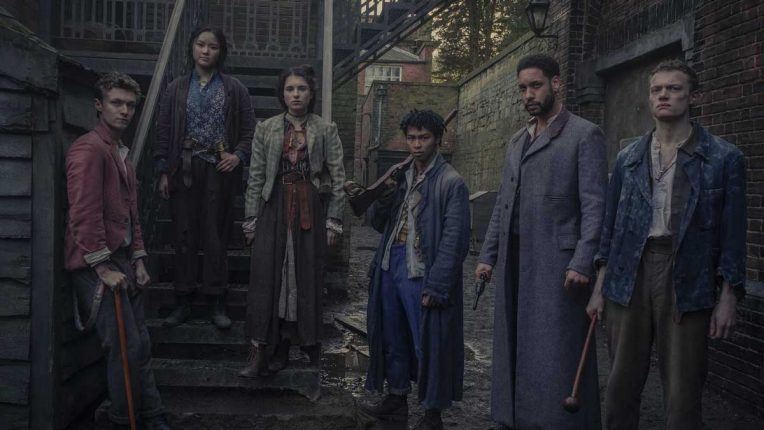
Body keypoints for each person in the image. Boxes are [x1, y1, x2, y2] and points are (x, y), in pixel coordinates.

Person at [587, 60, 746, 430]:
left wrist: (729, 296)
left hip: (688, 273)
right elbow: (610, 229)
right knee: (620, 385)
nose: (663, 95)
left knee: (683, 392)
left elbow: (733, 235)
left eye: (673, 88)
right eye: (656, 89)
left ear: (692, 97)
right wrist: (599, 288)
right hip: (629, 273)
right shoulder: (629, 159)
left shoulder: (723, 158)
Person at [475, 54, 607, 429]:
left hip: (558, 266)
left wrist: (582, 261)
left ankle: (558, 423)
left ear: (556, 84)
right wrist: (487, 256)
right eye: (523, 88)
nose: (528, 95)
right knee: (516, 342)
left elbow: (595, 207)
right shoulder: (518, 140)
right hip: (516, 260)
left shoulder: (584, 135)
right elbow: (504, 204)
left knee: (555, 351)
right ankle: (514, 418)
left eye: (535, 85)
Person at [65, 72, 170, 430]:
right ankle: (125, 422)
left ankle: (153, 417)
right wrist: (102, 268)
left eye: (130, 105)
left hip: (122, 261)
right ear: (99, 105)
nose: (125, 111)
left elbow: (130, 212)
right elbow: (83, 215)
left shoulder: (120, 153)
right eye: (116, 103)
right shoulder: (88, 149)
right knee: (124, 350)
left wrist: (138, 257)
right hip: (96, 266)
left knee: (140, 346)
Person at [359, 110, 471, 430]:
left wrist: (438, 285)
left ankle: (433, 414)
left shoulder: (451, 182)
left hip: (421, 270)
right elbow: (379, 224)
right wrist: (384, 195)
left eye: (424, 138)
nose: (417, 144)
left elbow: (455, 240)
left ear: (438, 139)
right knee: (392, 336)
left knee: (429, 344)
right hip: (389, 264)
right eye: (411, 138)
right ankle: (396, 399)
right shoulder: (402, 176)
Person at [238, 65, 346, 377]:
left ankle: (303, 345)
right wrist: (250, 218)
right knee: (267, 276)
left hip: (309, 206)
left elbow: (339, 178)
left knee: (304, 276)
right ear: (282, 94)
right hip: (273, 206)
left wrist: (334, 220)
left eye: (302, 89)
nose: (296, 94)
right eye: (290, 89)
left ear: (311, 94)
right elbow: (256, 176)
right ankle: (261, 351)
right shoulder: (267, 128)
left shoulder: (326, 129)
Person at [154, 27, 255, 329]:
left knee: (215, 236)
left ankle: (216, 300)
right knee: (183, 235)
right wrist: (163, 170)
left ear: (220, 52)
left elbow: (249, 131)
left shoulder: (235, 89)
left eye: (213, 46)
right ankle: (183, 299)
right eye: (201, 44)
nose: (206, 51)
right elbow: (163, 130)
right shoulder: (176, 88)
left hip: (218, 170)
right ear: (192, 47)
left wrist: (238, 156)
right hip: (183, 167)